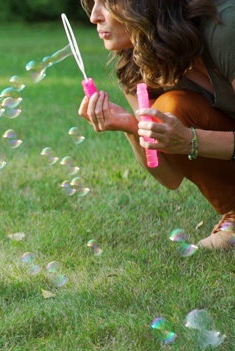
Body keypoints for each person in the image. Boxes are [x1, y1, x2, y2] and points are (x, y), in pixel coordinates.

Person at [77, 0, 235, 249]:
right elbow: (169, 178)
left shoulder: (224, 28)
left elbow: (185, 145)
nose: (94, 16)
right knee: (169, 109)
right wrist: (131, 127)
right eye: (92, 4)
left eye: (107, 3)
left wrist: (189, 140)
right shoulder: (136, 67)